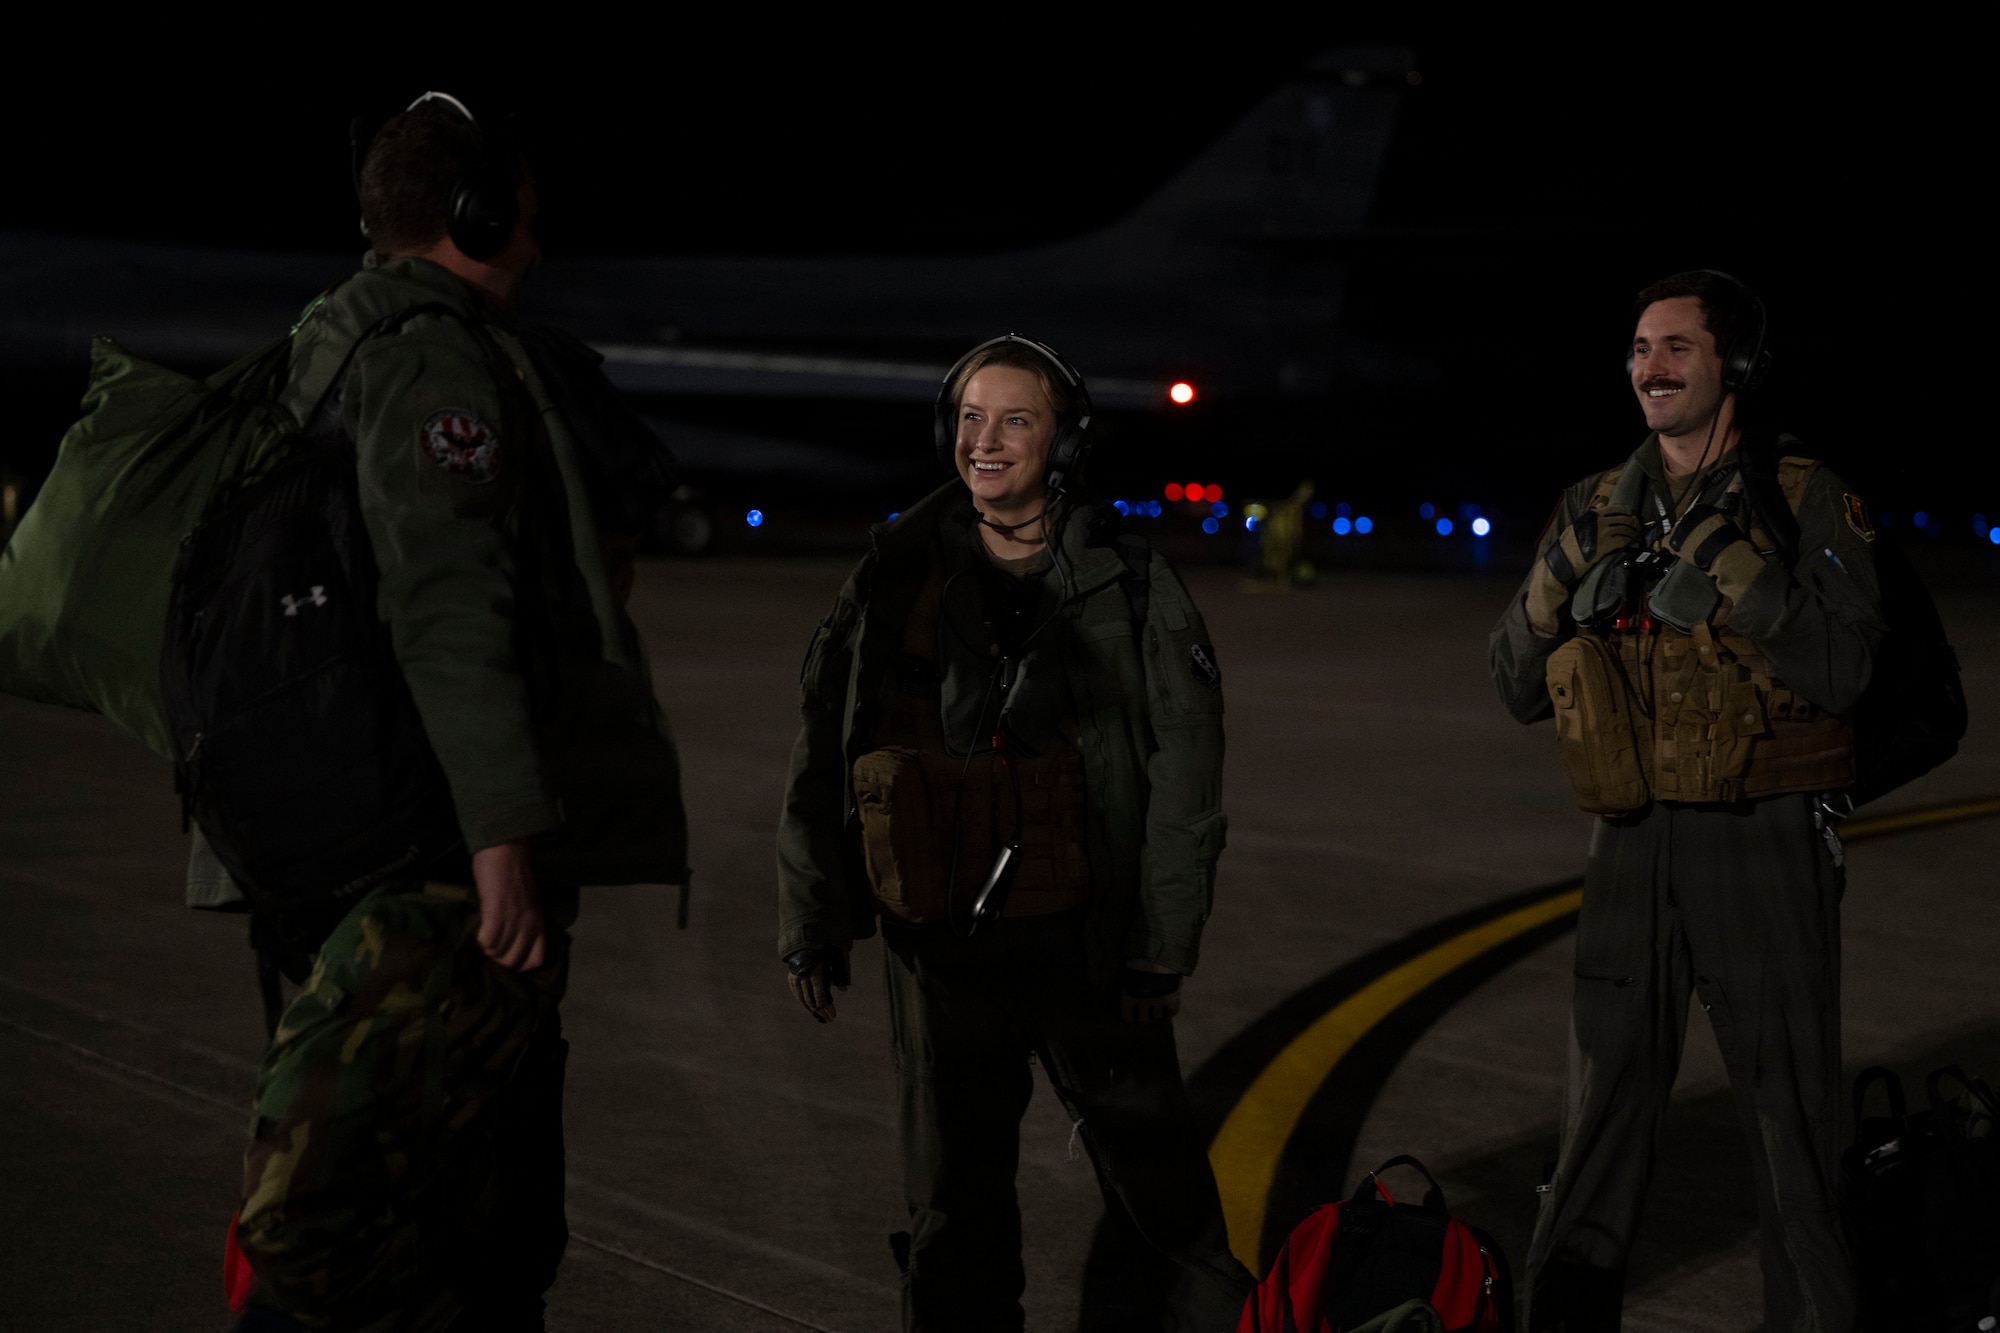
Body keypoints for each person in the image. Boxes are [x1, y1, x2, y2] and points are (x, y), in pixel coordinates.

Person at [219, 93, 689, 1332]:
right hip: (419, 862)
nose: (533, 249)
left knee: (389, 1193)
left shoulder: (322, 340)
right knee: (461, 1219)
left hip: (321, 844)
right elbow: (448, 607)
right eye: (520, 222)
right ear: (471, 218)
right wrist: (502, 844)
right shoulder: (431, 357)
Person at [776, 335, 1253, 1331]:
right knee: (953, 1208)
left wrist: (1159, 947)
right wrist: (813, 912)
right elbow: (826, 742)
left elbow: (1184, 772)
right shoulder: (894, 573)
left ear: (1065, 441)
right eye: (970, 420)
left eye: (1015, 420)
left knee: (1163, 1196)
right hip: (937, 951)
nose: (984, 442)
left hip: (1087, 943)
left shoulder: (1126, 584)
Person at [1489, 271, 1884, 1330]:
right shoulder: (1591, 505)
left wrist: (1735, 572)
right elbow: (1513, 682)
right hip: (1626, 843)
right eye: (1636, 349)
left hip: (1760, 842)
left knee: (1789, 1123)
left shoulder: (1798, 497)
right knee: (1596, 1120)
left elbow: (1846, 669)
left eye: (1675, 349)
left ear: (1734, 367)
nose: (1648, 369)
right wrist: (1554, 579)